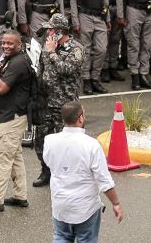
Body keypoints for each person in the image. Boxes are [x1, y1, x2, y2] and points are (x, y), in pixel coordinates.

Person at [43, 101, 123, 243]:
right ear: (80, 118)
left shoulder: (49, 141)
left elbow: (49, 163)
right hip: (85, 208)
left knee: (61, 237)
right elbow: (103, 180)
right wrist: (115, 203)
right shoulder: (91, 145)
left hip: (60, 206)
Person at [0, 29, 34, 212]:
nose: (5, 46)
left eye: (10, 43)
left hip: (12, 117)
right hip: (10, 115)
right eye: (3, 43)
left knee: (2, 159)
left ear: (19, 44)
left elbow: (2, 88)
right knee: (15, 157)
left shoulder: (18, 62)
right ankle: (20, 196)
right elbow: (0, 85)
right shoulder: (12, 59)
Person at [32, 13, 86, 188]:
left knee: (67, 145)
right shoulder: (47, 45)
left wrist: (52, 53)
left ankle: (67, 175)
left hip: (66, 105)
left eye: (51, 30)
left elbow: (66, 69)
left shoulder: (76, 49)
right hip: (47, 103)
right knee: (41, 141)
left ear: (60, 31)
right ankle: (45, 171)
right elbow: (41, 70)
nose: (48, 34)